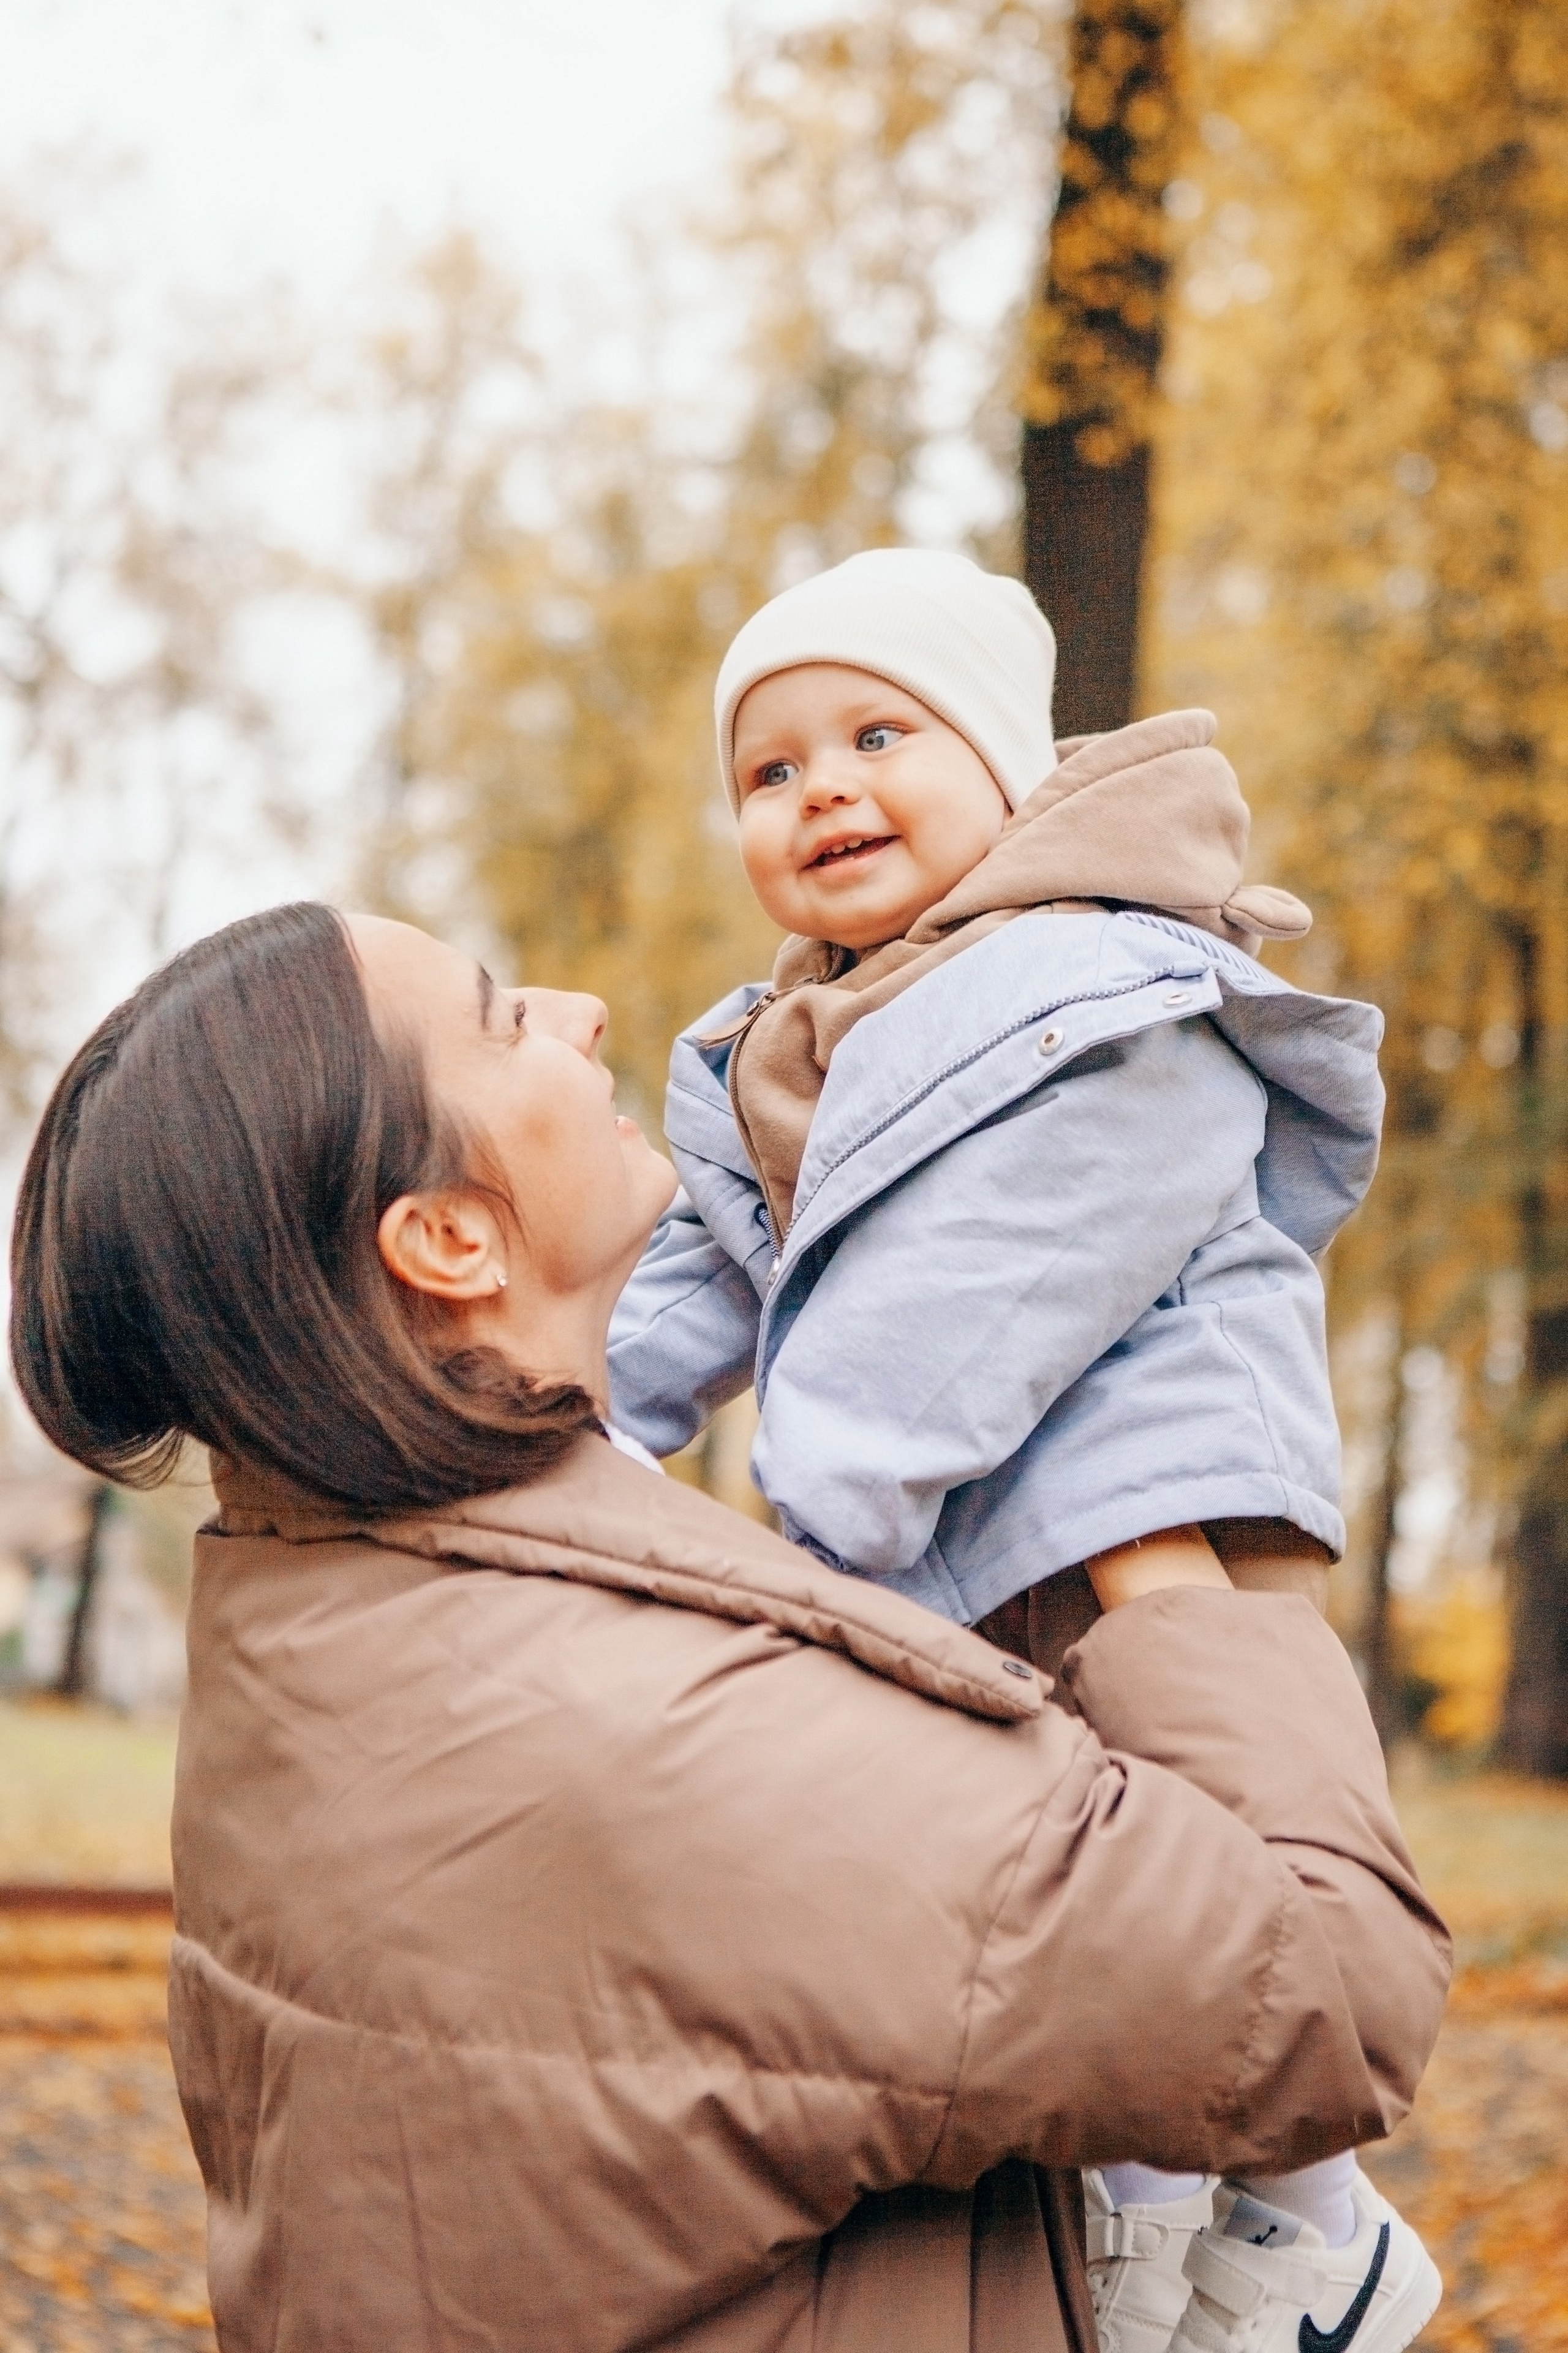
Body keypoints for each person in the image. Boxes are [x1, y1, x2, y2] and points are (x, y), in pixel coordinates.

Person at [9, 901, 1447, 2353]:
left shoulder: (306, 1622)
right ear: (447, 1237)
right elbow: (1330, 1986)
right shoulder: (677, 1733)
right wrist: (1142, 1503)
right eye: (502, 1015)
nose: (581, 1009)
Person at [606, 550, 1439, 2352]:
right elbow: (686, 1282)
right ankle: (1139, 2217)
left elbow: (1025, 1252)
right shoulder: (774, 1055)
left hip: (1157, 1515)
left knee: (1215, 1847)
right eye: (771, 768)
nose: (823, 786)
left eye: (878, 733)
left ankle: (1319, 2225)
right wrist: (561, 1429)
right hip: (958, 1546)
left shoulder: (1106, 982)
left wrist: (819, 1507)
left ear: (1004, 768)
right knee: (1072, 1890)